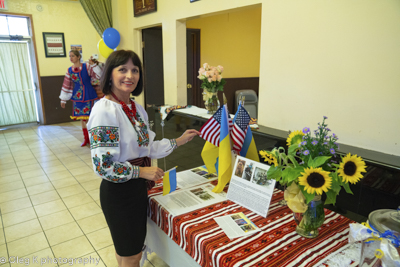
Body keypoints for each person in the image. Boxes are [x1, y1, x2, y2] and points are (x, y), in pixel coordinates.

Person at [87, 50, 200, 267]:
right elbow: (103, 166)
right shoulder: (105, 110)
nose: (129, 75)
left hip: (137, 188)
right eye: (122, 69)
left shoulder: (136, 109)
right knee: (131, 255)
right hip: (119, 193)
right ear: (110, 74)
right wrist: (141, 172)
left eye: (135, 70)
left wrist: (179, 141)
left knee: (128, 250)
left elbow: (146, 148)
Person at [59, 50, 103, 146]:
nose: (71, 58)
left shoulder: (86, 66)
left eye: (73, 56)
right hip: (77, 97)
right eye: (70, 56)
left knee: (91, 118)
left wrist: (94, 65)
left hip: (89, 94)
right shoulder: (69, 70)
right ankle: (86, 139)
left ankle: (93, 139)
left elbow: (99, 75)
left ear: (79, 57)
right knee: (81, 119)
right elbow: (67, 84)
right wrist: (63, 99)